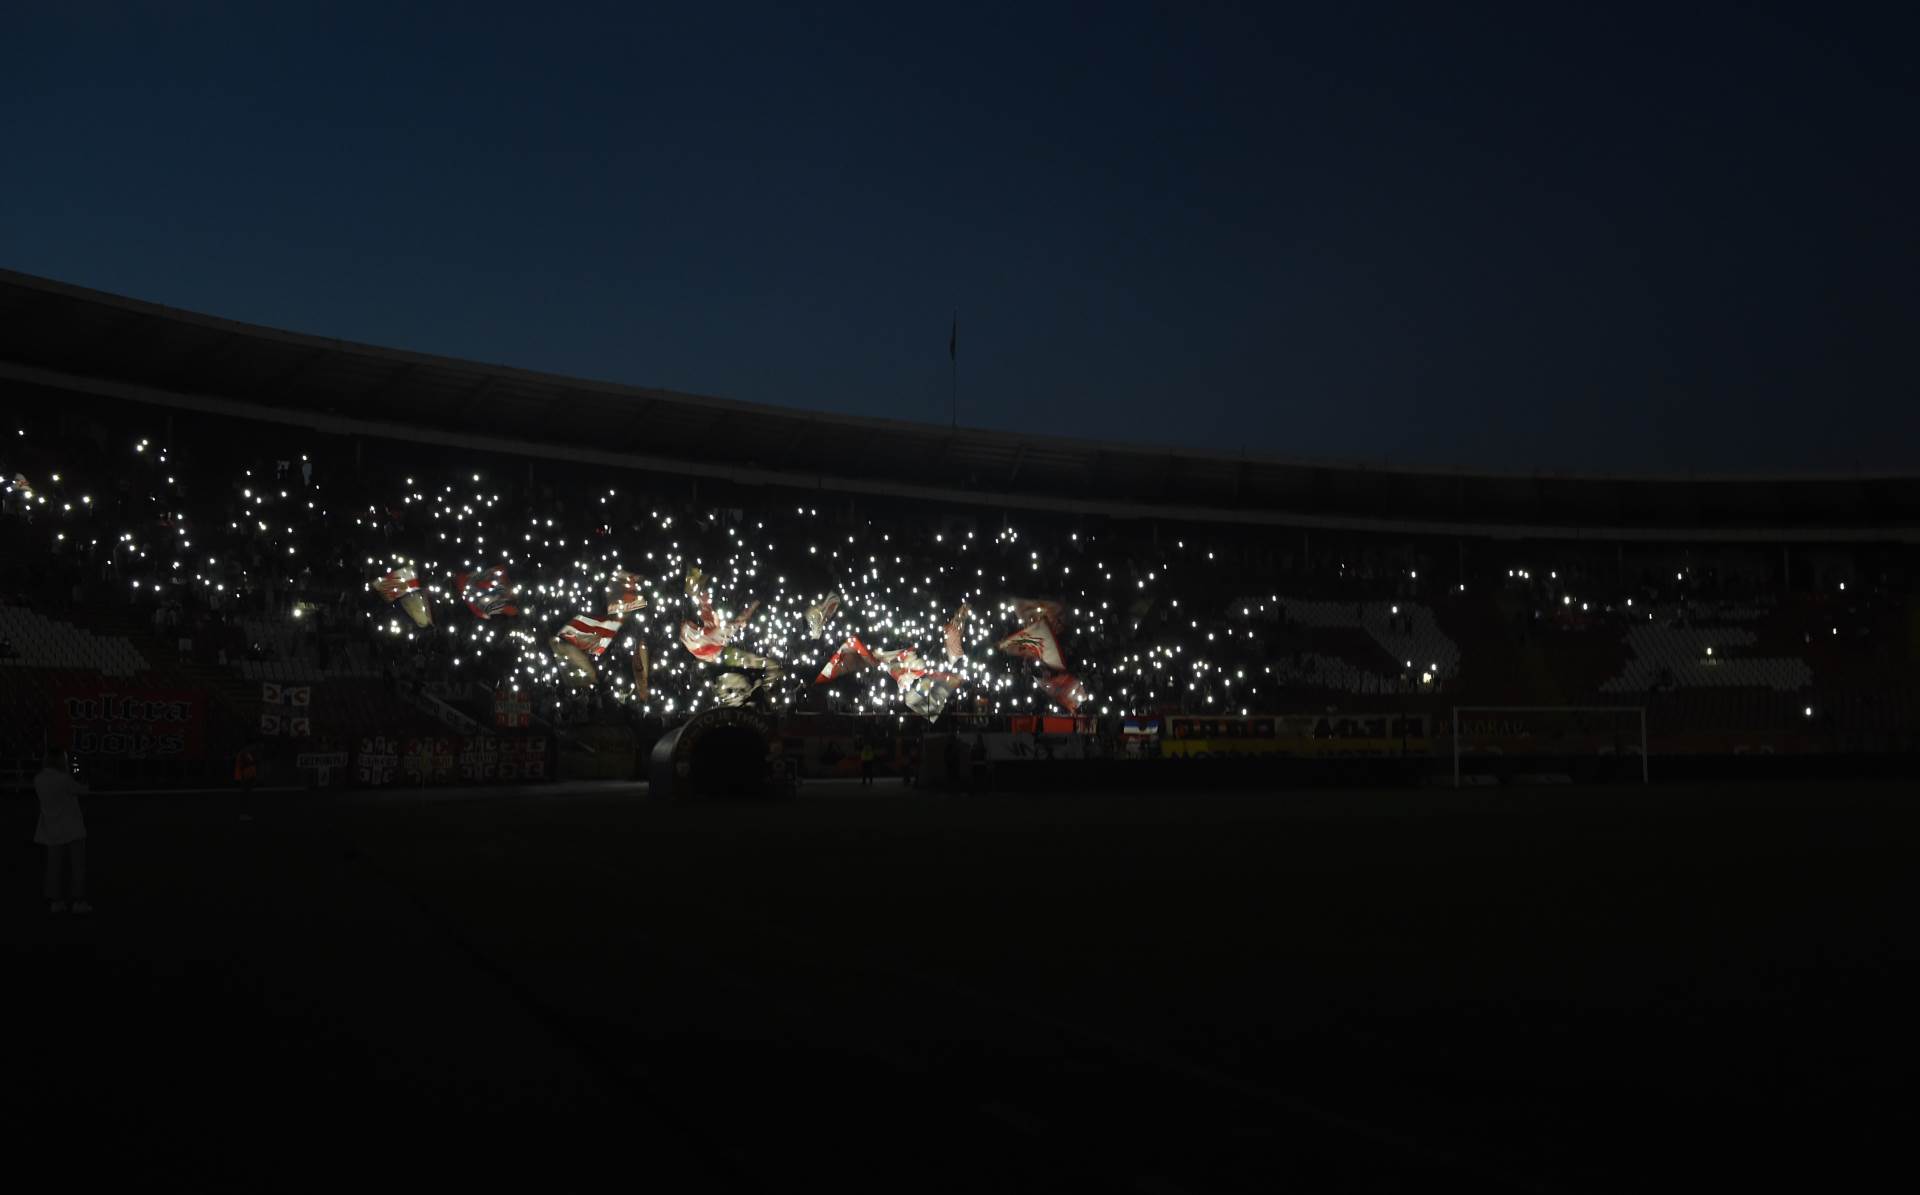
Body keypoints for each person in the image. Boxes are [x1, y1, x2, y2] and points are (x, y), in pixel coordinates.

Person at [35, 748, 90, 915]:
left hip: (51, 828)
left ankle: (55, 901)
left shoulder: (38, 779)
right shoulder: (64, 779)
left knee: (53, 867)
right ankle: (78, 901)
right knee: (77, 867)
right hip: (72, 828)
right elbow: (84, 790)